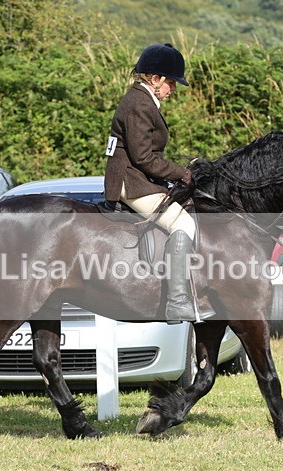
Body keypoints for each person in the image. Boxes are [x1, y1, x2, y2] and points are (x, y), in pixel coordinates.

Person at [104, 43, 206, 323]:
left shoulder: (142, 100)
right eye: (171, 83)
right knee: (183, 223)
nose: (173, 90)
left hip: (137, 176)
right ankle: (177, 301)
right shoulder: (139, 103)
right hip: (130, 181)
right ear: (155, 78)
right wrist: (181, 174)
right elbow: (144, 157)